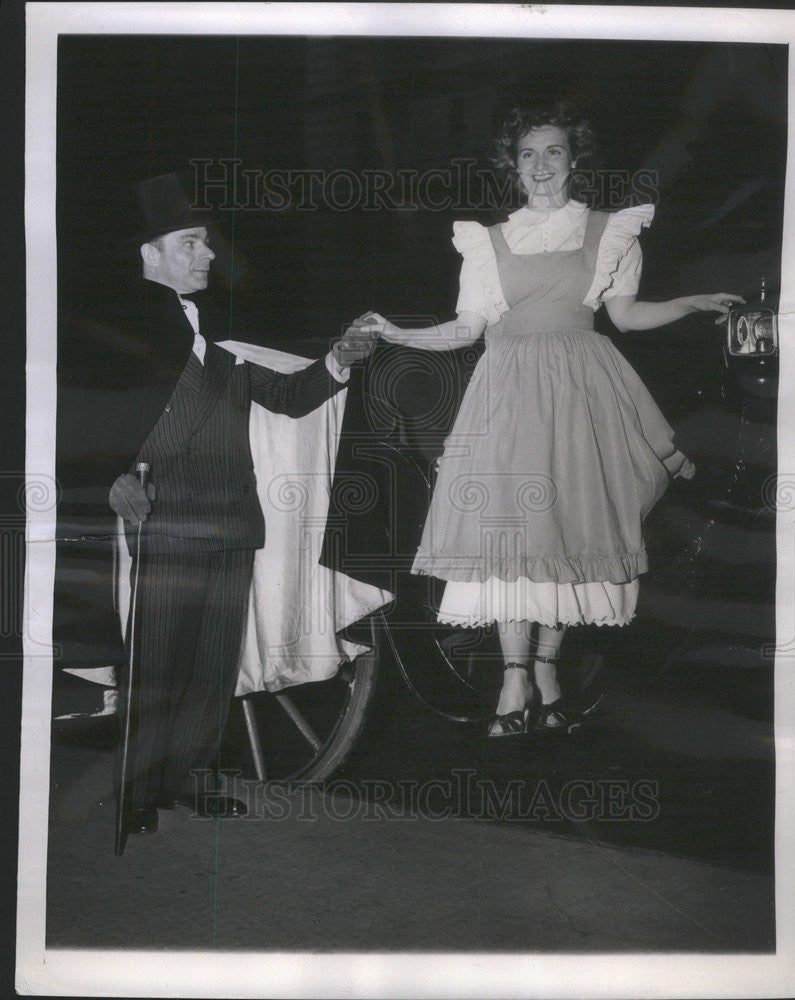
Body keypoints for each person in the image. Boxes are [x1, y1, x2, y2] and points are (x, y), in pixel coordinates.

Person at [360, 104, 743, 738]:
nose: (542, 165)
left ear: (574, 161)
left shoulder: (610, 231)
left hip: (583, 391)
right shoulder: (487, 242)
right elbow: (464, 332)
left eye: (555, 152)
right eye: (530, 154)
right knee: (516, 530)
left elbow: (625, 317)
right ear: (513, 166)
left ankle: (547, 670)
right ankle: (514, 677)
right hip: (508, 390)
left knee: (566, 527)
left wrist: (689, 302)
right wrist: (396, 333)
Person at [59, 172, 377, 834]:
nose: (208, 254)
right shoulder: (118, 338)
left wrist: (341, 359)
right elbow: (86, 416)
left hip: (231, 522)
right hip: (168, 520)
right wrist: (117, 472)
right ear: (150, 253)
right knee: (160, 666)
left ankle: (195, 777)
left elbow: (290, 398)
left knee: (210, 665)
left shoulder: (215, 339)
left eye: (206, 243)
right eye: (192, 243)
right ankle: (140, 793)